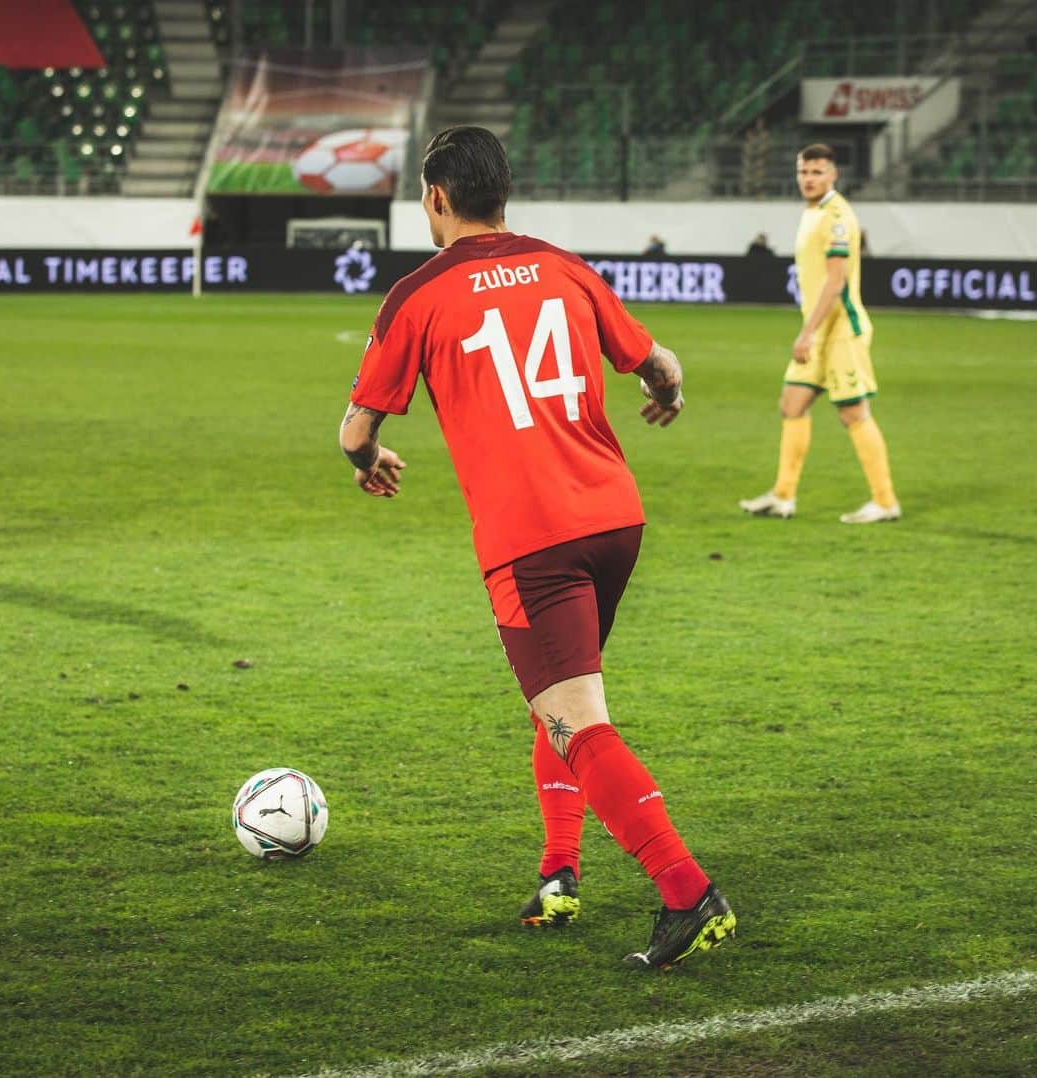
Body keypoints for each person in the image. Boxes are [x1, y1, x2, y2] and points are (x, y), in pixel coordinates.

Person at [340, 126, 736, 970]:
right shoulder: (563, 265)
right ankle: (559, 873)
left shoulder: (418, 292)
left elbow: (355, 429)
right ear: (503, 193)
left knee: (576, 720)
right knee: (559, 702)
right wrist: (665, 389)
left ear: (436, 198)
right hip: (613, 519)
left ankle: (686, 891)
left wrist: (368, 460)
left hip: (532, 540)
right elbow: (657, 361)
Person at [739, 143, 900, 524]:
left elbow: (836, 280)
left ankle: (885, 501)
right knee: (792, 404)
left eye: (816, 172)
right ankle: (782, 496)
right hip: (819, 330)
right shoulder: (812, 212)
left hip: (841, 330)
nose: (808, 179)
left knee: (853, 412)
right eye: (803, 172)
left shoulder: (838, 216)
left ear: (833, 175)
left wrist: (807, 333)